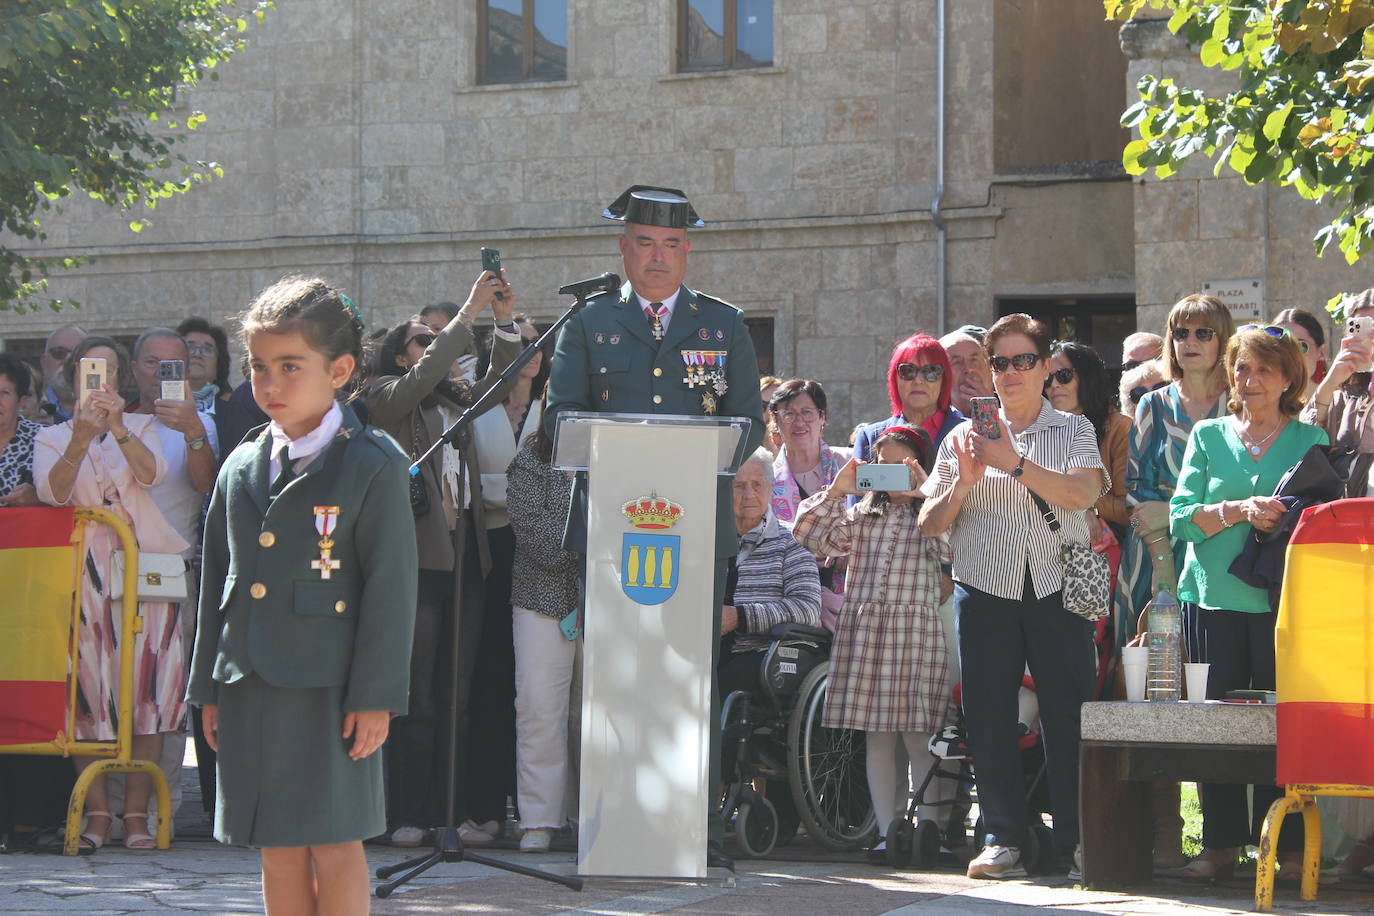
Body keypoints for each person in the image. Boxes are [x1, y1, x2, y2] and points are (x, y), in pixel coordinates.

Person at [544, 185, 764, 869]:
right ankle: (614, 830)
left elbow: (748, 419)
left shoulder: (723, 325)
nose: (657, 256)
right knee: (615, 681)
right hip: (613, 530)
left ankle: (685, 829)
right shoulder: (589, 323)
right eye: (644, 241)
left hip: (695, 532)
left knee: (685, 678)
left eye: (671, 244)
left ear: (687, 250)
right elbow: (560, 418)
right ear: (624, 247)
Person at [187, 276, 418, 915]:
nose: (271, 384)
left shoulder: (371, 462)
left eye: (292, 366)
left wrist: (375, 697)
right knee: (276, 842)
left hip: (330, 687)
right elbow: (217, 585)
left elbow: (391, 590)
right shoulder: (242, 463)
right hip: (250, 681)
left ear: (340, 370)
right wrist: (206, 686)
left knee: (335, 838)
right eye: (260, 367)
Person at [919, 313, 1107, 879]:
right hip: (985, 590)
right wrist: (965, 481)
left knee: (1068, 717)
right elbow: (930, 522)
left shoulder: (1072, 429)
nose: (1012, 372)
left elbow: (1083, 492)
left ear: (1047, 367)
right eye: (1000, 362)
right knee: (989, 719)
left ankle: (1077, 841)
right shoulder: (961, 436)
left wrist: (1015, 465)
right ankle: (1003, 838)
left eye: (1024, 360)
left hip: (1055, 588)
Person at [362, 270, 520, 848]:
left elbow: (501, 384)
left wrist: (501, 320)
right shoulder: (386, 397)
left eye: (441, 342)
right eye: (420, 342)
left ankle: (449, 813)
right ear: (399, 356)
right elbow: (424, 375)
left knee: (457, 696)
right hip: (418, 563)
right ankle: (410, 811)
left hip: (465, 558)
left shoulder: (458, 401)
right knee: (418, 697)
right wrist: (466, 313)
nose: (435, 350)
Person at [1170, 324, 1328, 881]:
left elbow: (1323, 521)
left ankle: (1282, 849)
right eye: (1241, 367)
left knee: (1278, 727)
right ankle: (1218, 845)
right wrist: (1238, 509)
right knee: (1216, 726)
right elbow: (1181, 519)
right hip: (1211, 600)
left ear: (1288, 377)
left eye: (1264, 368)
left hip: (1284, 606)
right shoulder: (1208, 436)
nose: (1250, 378)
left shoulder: (1310, 442)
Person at [34, 336, 189, 851]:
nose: (98, 381)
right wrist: (81, 438)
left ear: (121, 380)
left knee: (148, 686)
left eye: (107, 371)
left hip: (144, 570)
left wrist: (118, 427)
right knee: (89, 691)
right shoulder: (52, 436)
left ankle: (137, 815)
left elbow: (152, 474)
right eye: (87, 371)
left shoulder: (146, 427)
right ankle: (97, 813)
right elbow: (52, 493)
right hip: (84, 576)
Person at [795, 426, 951, 863]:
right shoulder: (863, 517)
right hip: (867, 633)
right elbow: (807, 534)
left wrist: (927, 492)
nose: (891, 477)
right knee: (878, 737)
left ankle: (929, 831)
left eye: (902, 467)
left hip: (915, 632)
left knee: (920, 736)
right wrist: (837, 489)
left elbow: (952, 549)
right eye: (881, 467)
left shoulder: (934, 514)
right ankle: (887, 832)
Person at [1117, 296, 1233, 869]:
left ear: (1223, 339)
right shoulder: (1152, 404)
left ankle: (1222, 840)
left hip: (1226, 566)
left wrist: (1196, 517)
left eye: (1204, 332)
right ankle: (1163, 832)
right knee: (1154, 695)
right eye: (1180, 331)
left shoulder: (1243, 400)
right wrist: (1165, 544)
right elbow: (1137, 485)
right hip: (1155, 567)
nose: (1190, 341)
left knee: (1218, 699)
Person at [506, 391, 582, 853]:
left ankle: (589, 813)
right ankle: (539, 819)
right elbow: (530, 526)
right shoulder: (530, 460)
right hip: (541, 600)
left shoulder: (615, 455)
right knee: (538, 709)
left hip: (608, 602)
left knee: (593, 713)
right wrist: (589, 558)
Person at [767, 379, 852, 629]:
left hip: (848, 589)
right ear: (776, 420)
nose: (799, 422)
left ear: (822, 417)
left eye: (807, 412)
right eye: (788, 414)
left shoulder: (849, 464)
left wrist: (848, 546)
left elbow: (871, 518)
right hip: (789, 591)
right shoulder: (765, 477)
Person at [1045, 341, 1131, 540]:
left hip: (1109, 556)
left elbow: (1131, 511)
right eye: (1047, 380)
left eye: (1064, 376)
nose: (1055, 385)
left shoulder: (1120, 428)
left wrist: (1088, 504)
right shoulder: (1037, 430)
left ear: (1086, 377)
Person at [1303, 288, 1374, 497]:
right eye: (1363, 326)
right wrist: (1332, 380)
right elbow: (1306, 439)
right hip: (1349, 517)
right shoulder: (1343, 396)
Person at [856, 333, 965, 463]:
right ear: (894, 379)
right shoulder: (870, 437)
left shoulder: (970, 433)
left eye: (930, 371)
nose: (918, 381)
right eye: (907, 371)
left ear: (944, 379)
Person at [0, 353, 42, 508]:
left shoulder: (44, 440)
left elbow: (69, 497)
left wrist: (39, 499)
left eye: (5, 393)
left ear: (21, 401)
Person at [1273, 307, 1327, 402]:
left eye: (1300, 346)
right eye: (1279, 346)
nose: (1289, 355)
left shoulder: (1340, 402)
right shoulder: (1259, 403)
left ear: (1321, 352)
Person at [37, 323, 88, 423]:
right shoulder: (28, 408)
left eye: (78, 354)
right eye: (59, 353)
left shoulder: (106, 410)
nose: (68, 360)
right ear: (44, 362)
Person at [939, 329, 994, 417]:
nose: (969, 369)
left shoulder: (1012, 418)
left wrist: (986, 409)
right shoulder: (934, 424)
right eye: (957, 362)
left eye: (974, 360)